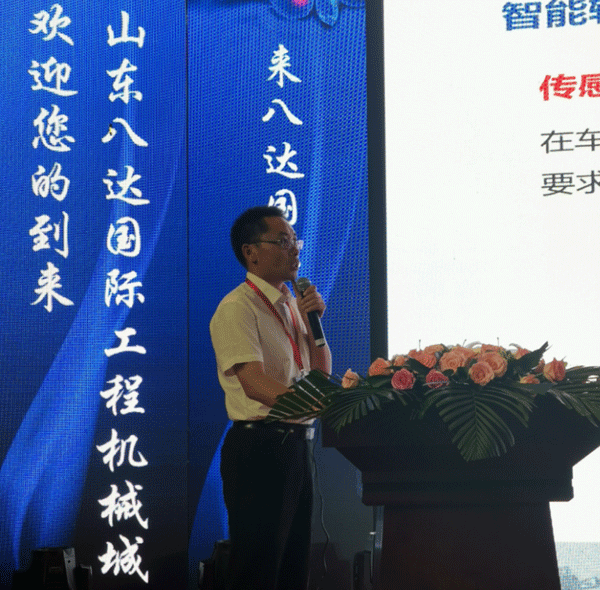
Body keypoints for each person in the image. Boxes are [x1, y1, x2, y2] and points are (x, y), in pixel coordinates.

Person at [210, 206, 332, 590]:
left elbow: (320, 375)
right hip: (260, 448)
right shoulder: (237, 307)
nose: (294, 249)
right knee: (258, 571)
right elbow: (255, 384)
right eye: (282, 241)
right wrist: (318, 406)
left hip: (295, 446)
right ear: (251, 253)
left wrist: (314, 323)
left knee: (293, 570)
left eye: (295, 241)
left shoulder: (293, 305)